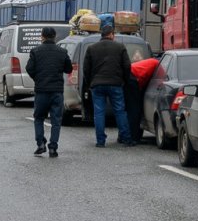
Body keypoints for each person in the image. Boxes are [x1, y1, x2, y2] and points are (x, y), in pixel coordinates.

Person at [82, 25, 134, 147]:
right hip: (116, 84)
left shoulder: (91, 48)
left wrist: (90, 82)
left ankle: (100, 141)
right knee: (120, 111)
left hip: (97, 85)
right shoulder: (120, 47)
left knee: (99, 113)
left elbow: (86, 69)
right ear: (111, 34)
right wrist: (124, 81)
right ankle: (126, 138)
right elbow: (127, 66)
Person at [25, 27, 73, 158]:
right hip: (57, 91)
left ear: (42, 36)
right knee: (56, 120)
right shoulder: (62, 51)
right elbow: (69, 69)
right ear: (55, 36)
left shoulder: (35, 51)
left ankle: (40, 144)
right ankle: (53, 148)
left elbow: (29, 68)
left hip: (41, 91)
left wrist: (38, 79)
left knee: (39, 118)